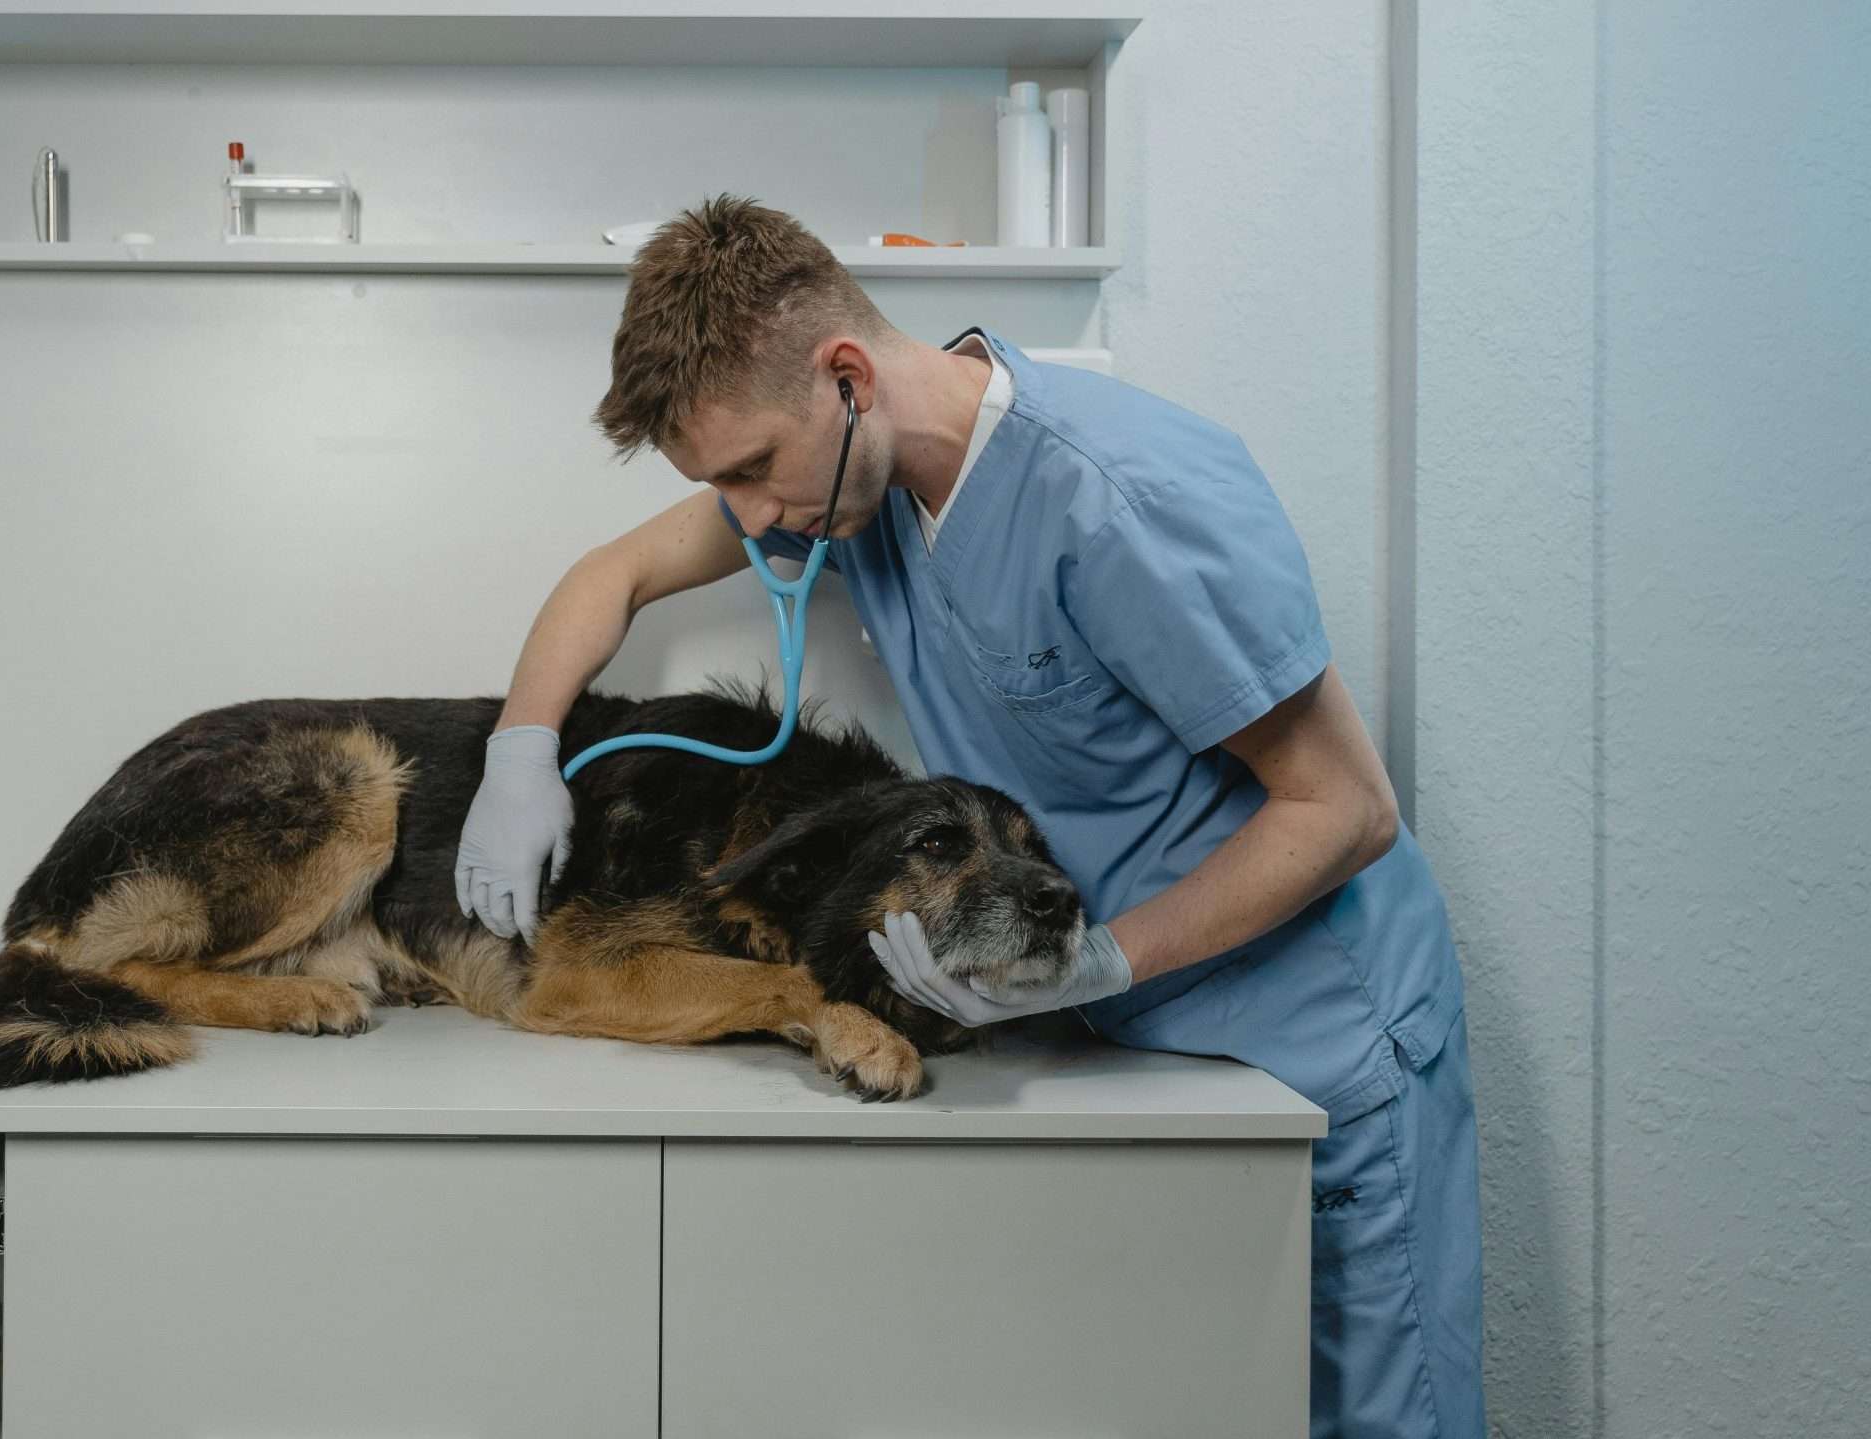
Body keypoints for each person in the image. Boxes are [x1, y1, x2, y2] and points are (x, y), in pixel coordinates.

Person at [452, 196, 1481, 1437]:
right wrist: (521, 749)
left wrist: (1104, 960)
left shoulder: (1118, 499)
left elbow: (1347, 807)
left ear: (846, 379)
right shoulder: (854, 478)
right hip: (1123, 1049)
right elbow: (611, 574)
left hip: (1306, 1037)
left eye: (751, 469)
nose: (751, 516)